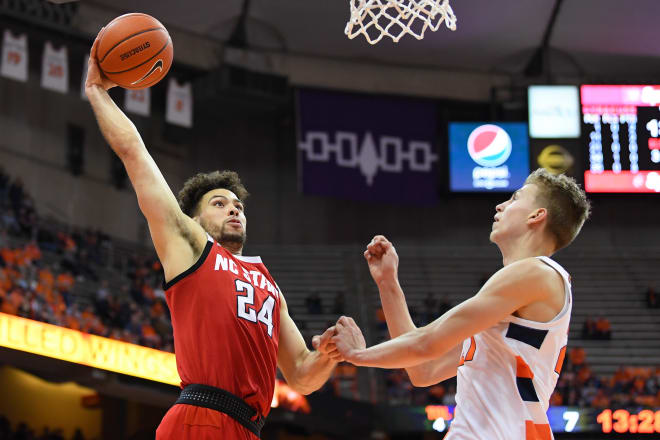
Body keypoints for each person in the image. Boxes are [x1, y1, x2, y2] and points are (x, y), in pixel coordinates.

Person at [84, 33, 342, 440]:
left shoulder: (270, 286)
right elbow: (136, 154)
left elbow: (302, 375)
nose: (234, 208)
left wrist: (328, 356)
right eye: (219, 204)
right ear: (195, 219)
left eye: (236, 204)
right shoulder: (191, 247)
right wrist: (97, 91)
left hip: (248, 428)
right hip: (201, 417)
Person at [332, 169, 591, 440]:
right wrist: (388, 284)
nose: (500, 205)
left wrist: (357, 355)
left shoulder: (536, 272)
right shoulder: (503, 320)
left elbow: (426, 343)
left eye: (515, 198)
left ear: (536, 215)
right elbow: (423, 369)